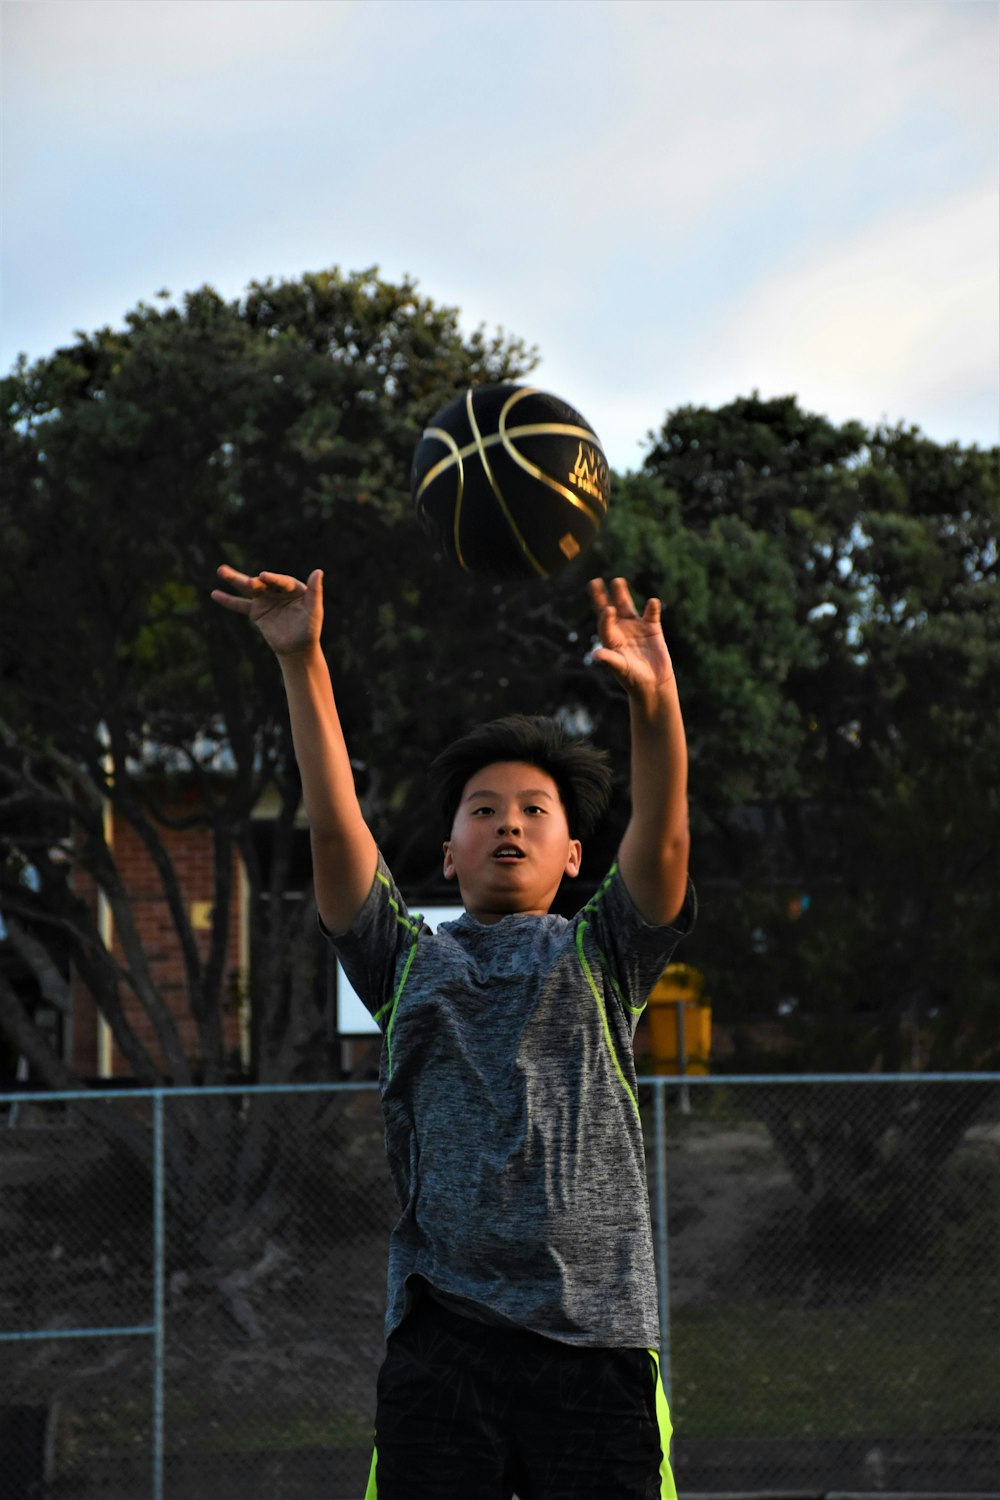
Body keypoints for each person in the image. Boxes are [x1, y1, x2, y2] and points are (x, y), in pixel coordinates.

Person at [211, 564, 695, 1500]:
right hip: (446, 1342)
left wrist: (656, 706)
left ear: (573, 855)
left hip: (595, 1345)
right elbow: (334, 834)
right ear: (448, 853)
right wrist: (303, 659)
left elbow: (666, 847)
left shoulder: (602, 955)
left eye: (533, 812)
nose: (507, 824)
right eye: (483, 811)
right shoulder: (409, 963)